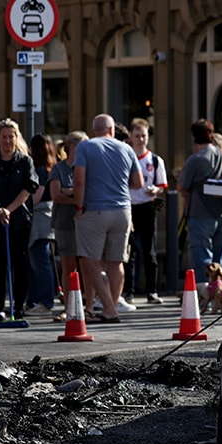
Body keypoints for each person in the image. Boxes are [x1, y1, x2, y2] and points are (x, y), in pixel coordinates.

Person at [73, 113, 144, 322]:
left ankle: (110, 309)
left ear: (94, 130)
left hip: (94, 210)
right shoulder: (127, 148)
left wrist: (79, 206)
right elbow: (138, 183)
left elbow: (79, 180)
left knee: (90, 261)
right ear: (112, 130)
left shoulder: (86, 146)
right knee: (116, 262)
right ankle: (111, 308)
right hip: (123, 210)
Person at [0, 118, 39, 328]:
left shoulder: (24, 161)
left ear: (16, 138)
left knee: (20, 264)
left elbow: (29, 187)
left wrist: (9, 209)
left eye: (11, 137)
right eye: (4, 137)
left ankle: (18, 307)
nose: (7, 141)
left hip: (19, 220)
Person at [178, 119, 222, 288]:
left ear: (194, 137)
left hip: (200, 212)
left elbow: (181, 186)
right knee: (220, 253)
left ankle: (205, 292)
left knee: (201, 254)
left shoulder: (196, 159)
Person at [49, 131, 93, 323]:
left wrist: (72, 193)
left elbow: (90, 193)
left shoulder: (89, 167)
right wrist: (77, 196)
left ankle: (89, 307)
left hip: (86, 222)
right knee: (69, 267)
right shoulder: (59, 168)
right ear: (73, 148)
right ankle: (68, 307)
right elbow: (56, 195)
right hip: (65, 223)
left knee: (88, 266)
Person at [124, 118, 168, 305]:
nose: (141, 139)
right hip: (130, 207)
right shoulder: (127, 157)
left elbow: (162, 185)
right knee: (130, 251)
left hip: (147, 206)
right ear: (131, 138)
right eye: (137, 136)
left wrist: (156, 190)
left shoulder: (155, 160)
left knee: (149, 251)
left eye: (144, 135)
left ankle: (152, 291)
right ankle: (129, 291)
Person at [26, 133, 58, 315]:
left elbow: (35, 198)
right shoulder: (51, 168)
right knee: (42, 260)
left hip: (40, 219)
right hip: (48, 217)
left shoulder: (40, 171)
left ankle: (45, 301)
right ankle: (42, 299)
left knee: (40, 261)